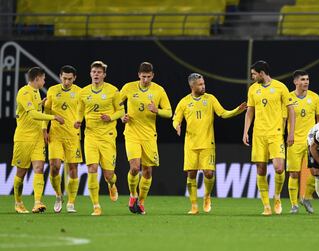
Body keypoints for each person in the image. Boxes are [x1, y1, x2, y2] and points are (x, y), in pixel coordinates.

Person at [173, 73, 247, 214]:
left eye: (203, 83)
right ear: (192, 86)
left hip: (207, 143)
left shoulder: (210, 99)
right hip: (191, 144)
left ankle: (207, 196)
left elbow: (223, 113)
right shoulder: (184, 102)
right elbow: (176, 119)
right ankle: (194, 205)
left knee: (208, 173)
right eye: (200, 84)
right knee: (191, 174)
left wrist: (237, 111)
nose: (203, 86)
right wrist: (177, 126)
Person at [243, 60, 295, 216]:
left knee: (279, 168)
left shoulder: (280, 87)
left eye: (254, 74)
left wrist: (291, 132)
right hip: (258, 134)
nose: (252, 77)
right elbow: (249, 111)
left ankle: (277, 196)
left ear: (261, 73)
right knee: (261, 169)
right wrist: (245, 131)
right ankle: (266, 205)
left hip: (276, 133)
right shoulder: (253, 89)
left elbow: (291, 111)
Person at [120, 62, 172, 215]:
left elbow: (169, 112)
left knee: (148, 171)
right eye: (143, 77)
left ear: (153, 76)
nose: (145, 80)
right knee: (135, 168)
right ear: (138, 75)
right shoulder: (129, 87)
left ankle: (141, 202)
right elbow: (115, 104)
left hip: (149, 136)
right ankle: (132, 195)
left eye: (148, 77)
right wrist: (122, 116)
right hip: (132, 133)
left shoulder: (158, 90)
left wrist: (157, 110)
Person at [74, 61, 124, 216]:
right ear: (90, 74)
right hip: (90, 135)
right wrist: (78, 120)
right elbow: (80, 110)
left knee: (109, 175)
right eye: (94, 72)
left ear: (104, 75)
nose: (96, 74)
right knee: (92, 169)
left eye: (99, 72)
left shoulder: (113, 91)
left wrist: (110, 117)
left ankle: (111, 184)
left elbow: (121, 111)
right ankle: (96, 206)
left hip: (108, 136)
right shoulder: (83, 92)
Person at [12, 67, 64, 214]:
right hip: (23, 138)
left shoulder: (36, 93)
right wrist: (53, 117)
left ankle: (37, 202)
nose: (44, 81)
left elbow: (34, 109)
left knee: (39, 169)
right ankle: (18, 202)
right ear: (37, 79)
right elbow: (33, 115)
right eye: (43, 78)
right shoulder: (24, 92)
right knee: (21, 173)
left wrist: (41, 103)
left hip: (37, 139)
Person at [43, 65, 82, 213]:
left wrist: (80, 120)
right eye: (64, 78)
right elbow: (46, 111)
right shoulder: (52, 90)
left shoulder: (79, 92)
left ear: (74, 78)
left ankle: (71, 202)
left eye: (70, 79)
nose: (67, 82)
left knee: (73, 169)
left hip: (73, 135)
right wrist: (43, 129)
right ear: (60, 77)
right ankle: (58, 195)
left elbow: (84, 110)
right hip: (55, 134)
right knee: (54, 166)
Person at [283, 70, 319, 214]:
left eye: (307, 79)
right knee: (294, 174)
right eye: (303, 79)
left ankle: (306, 197)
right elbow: (284, 118)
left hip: (311, 142)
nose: (306, 82)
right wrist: (285, 134)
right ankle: (294, 205)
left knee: (316, 171)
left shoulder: (315, 97)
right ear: (295, 82)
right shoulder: (288, 97)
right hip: (294, 141)